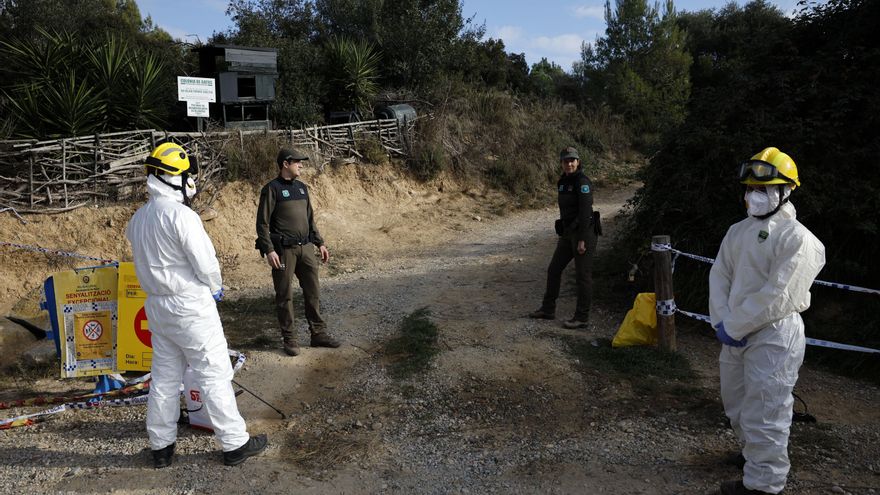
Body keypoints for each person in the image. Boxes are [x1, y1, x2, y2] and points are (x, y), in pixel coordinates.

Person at [126, 142, 268, 468]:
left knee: (163, 377)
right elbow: (205, 262)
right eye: (187, 173)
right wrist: (215, 287)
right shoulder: (181, 216)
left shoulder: (138, 219)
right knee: (213, 373)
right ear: (176, 177)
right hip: (189, 305)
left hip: (157, 308)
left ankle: (161, 447)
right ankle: (235, 444)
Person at [709, 147, 826, 495]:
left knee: (766, 409)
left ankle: (764, 484)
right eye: (750, 189)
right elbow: (720, 275)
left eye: (763, 189)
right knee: (737, 403)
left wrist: (736, 325)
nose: (754, 196)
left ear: (785, 191)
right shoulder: (737, 231)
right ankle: (752, 457)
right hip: (735, 331)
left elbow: (781, 294)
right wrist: (723, 321)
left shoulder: (799, 240)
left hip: (774, 335)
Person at [256, 148, 340, 356]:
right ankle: (290, 339)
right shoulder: (271, 189)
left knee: (313, 292)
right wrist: (269, 250)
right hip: (284, 251)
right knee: (285, 295)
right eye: (297, 162)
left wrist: (319, 243)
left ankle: (318, 334)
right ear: (285, 164)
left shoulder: (302, 188)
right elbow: (262, 224)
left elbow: (310, 219)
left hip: (307, 249)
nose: (301, 165)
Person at [528, 146, 599, 329]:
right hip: (568, 234)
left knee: (582, 276)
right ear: (561, 163)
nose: (569, 163)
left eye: (572, 160)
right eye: (565, 161)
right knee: (554, 269)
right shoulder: (562, 182)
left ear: (578, 162)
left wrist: (582, 238)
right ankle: (547, 309)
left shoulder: (582, 181)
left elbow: (585, 211)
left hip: (584, 233)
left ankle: (582, 317)